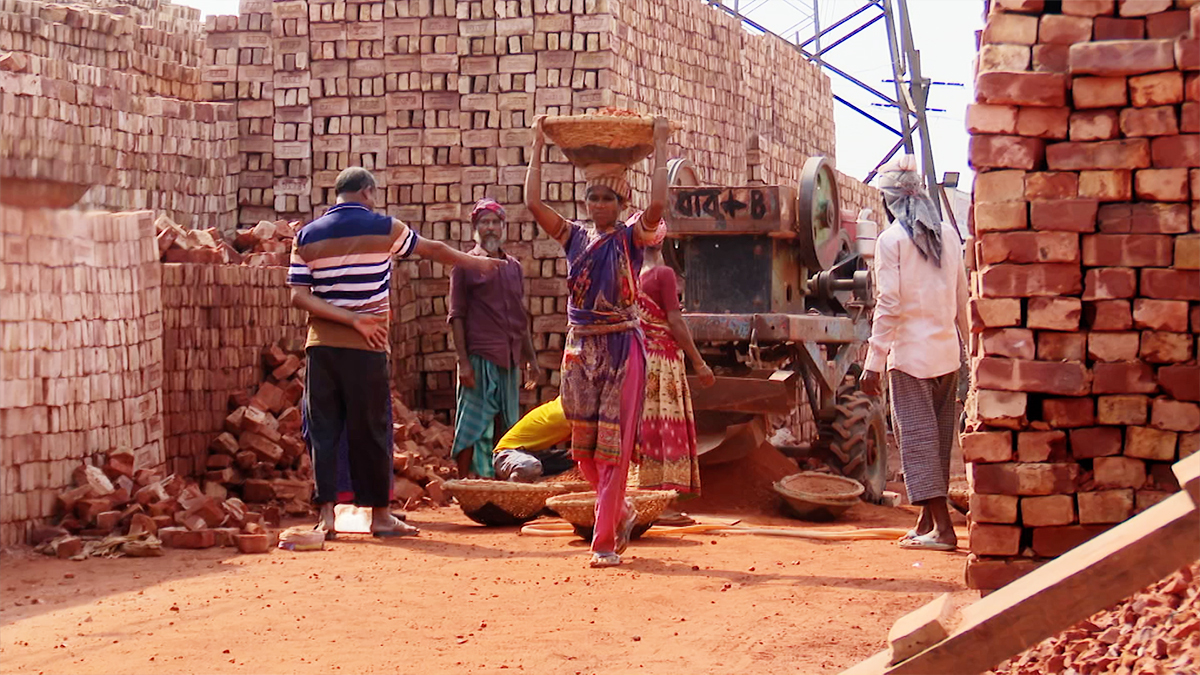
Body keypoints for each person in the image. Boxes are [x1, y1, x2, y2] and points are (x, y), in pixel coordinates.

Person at [289, 167, 501, 539]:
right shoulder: (384, 228)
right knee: (372, 429)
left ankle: (326, 516)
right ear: (367, 192)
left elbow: (299, 296)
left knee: (324, 431)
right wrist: (477, 262)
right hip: (367, 349)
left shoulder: (307, 235)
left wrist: (344, 318)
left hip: (320, 349)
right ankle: (381, 516)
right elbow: (433, 250)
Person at [525, 114, 670, 568]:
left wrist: (661, 144)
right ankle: (621, 510)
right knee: (584, 448)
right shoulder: (575, 238)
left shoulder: (631, 239)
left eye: (608, 197)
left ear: (622, 201)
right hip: (581, 349)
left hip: (622, 349)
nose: (599, 204)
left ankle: (603, 541)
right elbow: (532, 203)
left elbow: (660, 203)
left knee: (614, 451)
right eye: (593, 196)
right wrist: (536, 144)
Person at [858, 155, 969, 552]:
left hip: (909, 356)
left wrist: (873, 362)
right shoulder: (950, 237)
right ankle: (926, 522)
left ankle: (944, 529)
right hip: (946, 353)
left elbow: (888, 303)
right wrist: (970, 350)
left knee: (917, 440)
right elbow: (962, 299)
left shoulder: (891, 241)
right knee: (938, 441)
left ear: (890, 202)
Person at [449, 198, 538, 479]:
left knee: (506, 423)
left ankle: (497, 484)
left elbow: (520, 317)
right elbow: (457, 316)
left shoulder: (514, 267)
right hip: (479, 356)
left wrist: (531, 359)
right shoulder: (464, 264)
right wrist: (463, 362)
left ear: (503, 228)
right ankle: (464, 482)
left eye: (495, 223)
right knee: (472, 425)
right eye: (484, 223)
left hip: (509, 358)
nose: (490, 228)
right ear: (475, 228)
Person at [636, 245, 715, 525]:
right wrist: (699, 362)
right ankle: (664, 504)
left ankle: (642, 499)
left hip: (640, 360)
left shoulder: (631, 275)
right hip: (663, 361)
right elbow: (676, 321)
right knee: (667, 427)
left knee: (646, 429)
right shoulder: (663, 274)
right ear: (662, 243)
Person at [491, 397, 575, 482]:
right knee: (530, 467)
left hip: (535, 455)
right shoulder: (565, 414)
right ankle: (509, 491)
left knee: (576, 457)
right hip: (508, 455)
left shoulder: (567, 407)